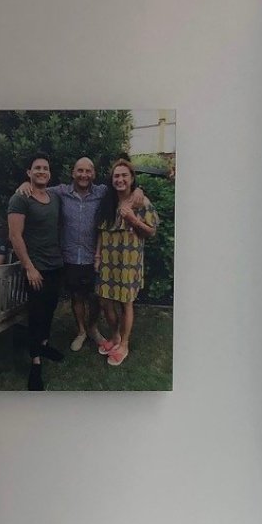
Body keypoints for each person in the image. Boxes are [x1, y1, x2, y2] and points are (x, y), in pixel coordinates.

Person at [14, 156, 110, 352]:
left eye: (88, 171)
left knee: (97, 297)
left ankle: (93, 328)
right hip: (70, 256)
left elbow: (124, 191)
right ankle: (81, 331)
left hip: (95, 256)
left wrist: (139, 192)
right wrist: (25, 184)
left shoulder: (102, 192)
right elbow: (38, 188)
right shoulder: (60, 192)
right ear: (73, 173)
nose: (84, 175)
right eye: (80, 170)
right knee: (76, 296)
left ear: (94, 174)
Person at [5, 152, 67, 390]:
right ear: (29, 172)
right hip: (36, 269)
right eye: (37, 168)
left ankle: (44, 345)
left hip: (55, 265)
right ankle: (35, 364)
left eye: (45, 168)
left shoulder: (54, 197)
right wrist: (29, 268)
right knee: (36, 314)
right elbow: (15, 236)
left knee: (50, 310)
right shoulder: (20, 198)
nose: (42, 171)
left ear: (49, 173)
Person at [95, 158, 158, 369]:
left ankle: (124, 344)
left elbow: (151, 232)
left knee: (126, 303)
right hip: (107, 261)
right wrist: (97, 256)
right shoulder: (108, 202)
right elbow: (101, 232)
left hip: (128, 261)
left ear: (131, 178)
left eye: (124, 175)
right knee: (105, 301)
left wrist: (132, 219)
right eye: (116, 176)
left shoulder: (141, 202)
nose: (120, 179)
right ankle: (115, 336)